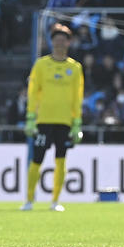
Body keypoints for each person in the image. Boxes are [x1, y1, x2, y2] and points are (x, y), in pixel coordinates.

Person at [22, 24, 84, 212]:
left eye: (63, 39)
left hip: (65, 121)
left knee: (61, 160)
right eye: (56, 39)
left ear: (69, 42)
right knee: (37, 160)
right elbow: (33, 92)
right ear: (52, 41)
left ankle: (55, 201)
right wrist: (31, 118)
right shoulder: (41, 65)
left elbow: (77, 97)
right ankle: (29, 200)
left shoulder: (75, 68)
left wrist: (77, 123)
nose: (59, 42)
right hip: (43, 120)